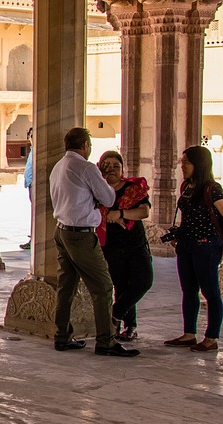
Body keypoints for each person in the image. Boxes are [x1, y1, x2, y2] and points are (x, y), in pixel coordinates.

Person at [50, 127, 137, 357]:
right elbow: (108, 198)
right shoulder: (86, 168)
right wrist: (103, 181)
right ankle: (106, 341)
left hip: (62, 231)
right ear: (86, 146)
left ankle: (62, 336)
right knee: (103, 287)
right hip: (80, 235)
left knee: (66, 287)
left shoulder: (59, 166)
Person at [164, 146, 223, 353]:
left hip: (206, 247)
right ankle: (189, 334)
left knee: (210, 292)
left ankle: (211, 337)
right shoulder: (187, 186)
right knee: (189, 290)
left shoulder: (212, 189)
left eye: (187, 162)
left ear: (199, 164)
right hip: (187, 246)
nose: (183, 166)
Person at [96, 151, 152, 342]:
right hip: (110, 246)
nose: (111, 169)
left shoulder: (133, 188)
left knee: (143, 281)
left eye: (115, 166)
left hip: (135, 244)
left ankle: (115, 313)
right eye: (107, 166)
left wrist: (120, 213)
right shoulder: (97, 191)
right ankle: (128, 326)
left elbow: (143, 211)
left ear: (122, 168)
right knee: (121, 286)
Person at [21, 127, 35, 250]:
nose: (33, 138)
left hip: (35, 185)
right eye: (31, 135)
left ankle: (34, 240)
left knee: (36, 214)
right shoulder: (32, 150)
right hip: (31, 185)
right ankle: (33, 239)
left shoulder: (38, 151)